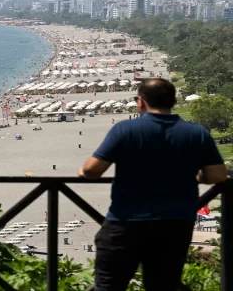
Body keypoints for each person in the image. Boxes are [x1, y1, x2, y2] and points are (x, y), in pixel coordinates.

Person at [78, 78, 227, 291]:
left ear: (140, 102)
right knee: (164, 286)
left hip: (126, 221)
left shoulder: (125, 130)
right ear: (174, 102)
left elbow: (93, 170)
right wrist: (196, 177)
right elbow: (218, 175)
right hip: (175, 224)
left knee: (108, 285)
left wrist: (82, 171)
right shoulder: (197, 133)